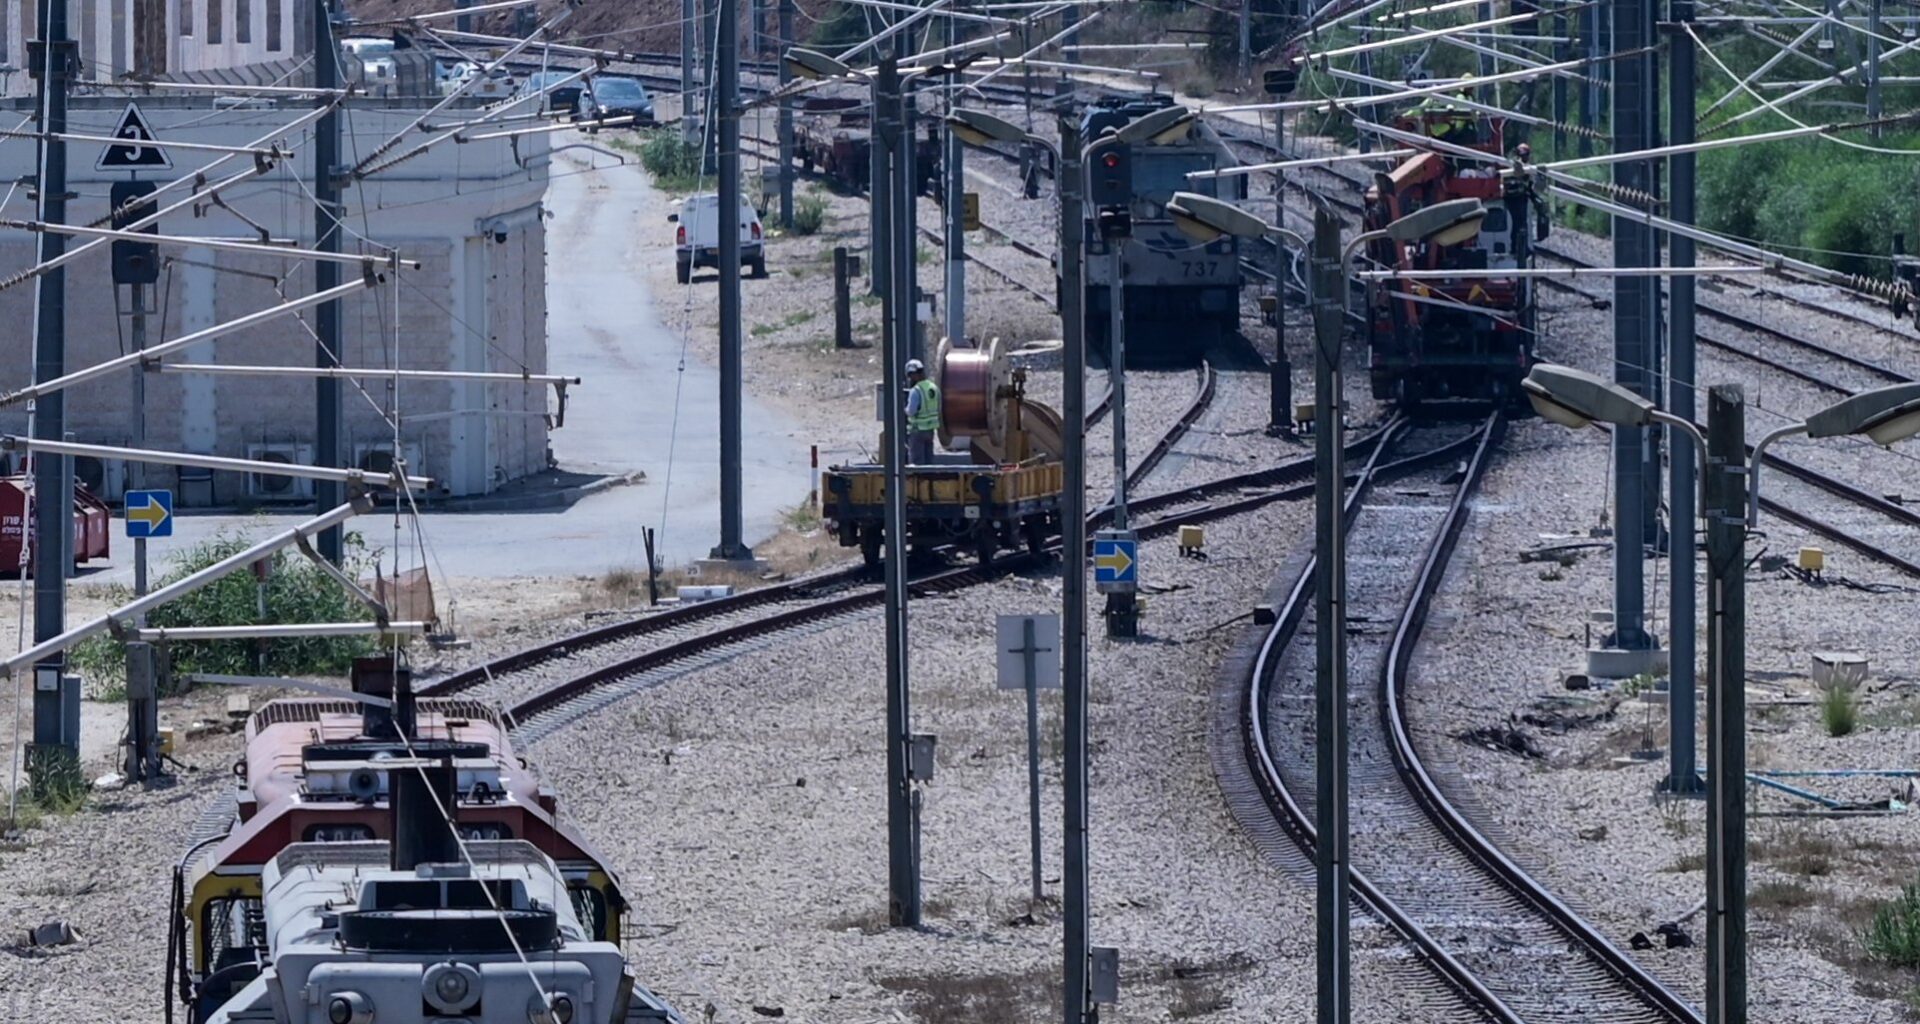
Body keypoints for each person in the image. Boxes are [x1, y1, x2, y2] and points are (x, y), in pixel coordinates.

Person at [904, 358, 940, 464]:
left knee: (916, 462)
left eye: (910, 376)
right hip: (930, 430)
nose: (910, 379)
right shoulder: (933, 388)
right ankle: (929, 479)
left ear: (913, 374)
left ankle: (918, 480)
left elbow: (911, 411)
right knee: (929, 460)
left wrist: (904, 410)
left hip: (917, 430)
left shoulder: (916, 391)